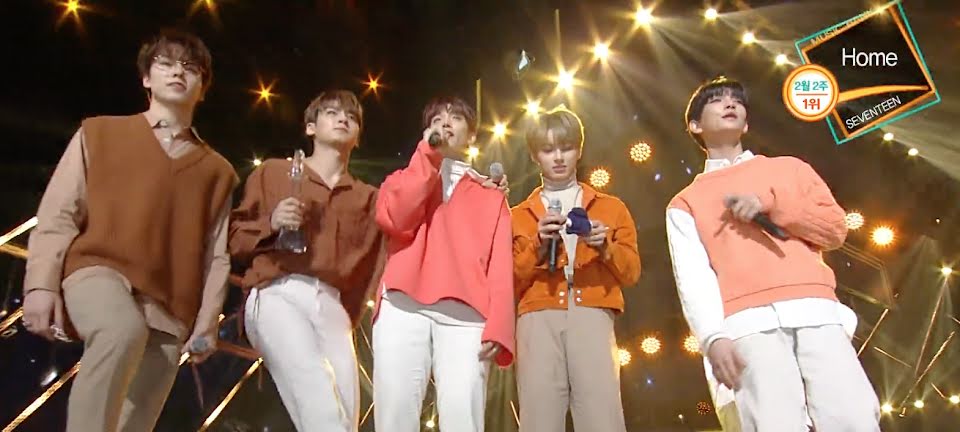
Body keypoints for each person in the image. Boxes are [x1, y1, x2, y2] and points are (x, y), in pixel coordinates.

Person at [21, 29, 237, 432]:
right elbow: (59, 213)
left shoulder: (218, 172)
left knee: (138, 417)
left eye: (190, 67)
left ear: (203, 88)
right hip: (97, 269)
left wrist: (208, 321)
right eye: (166, 63)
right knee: (121, 330)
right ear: (146, 78)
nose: (178, 72)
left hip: (171, 303)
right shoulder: (99, 133)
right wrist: (40, 285)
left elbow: (216, 253)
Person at [666, 76, 880, 431]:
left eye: (737, 100)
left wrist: (772, 205)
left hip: (814, 308)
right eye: (717, 100)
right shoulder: (685, 202)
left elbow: (834, 229)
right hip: (746, 324)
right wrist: (712, 337)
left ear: (746, 124)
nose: (730, 103)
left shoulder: (789, 169)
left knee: (853, 417)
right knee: (772, 423)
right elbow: (693, 278)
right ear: (695, 125)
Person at [229, 90, 384, 432]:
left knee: (345, 417)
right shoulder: (274, 173)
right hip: (278, 291)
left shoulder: (367, 199)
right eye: (332, 112)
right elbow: (235, 239)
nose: (343, 119)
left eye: (352, 117)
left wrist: (349, 312)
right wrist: (271, 223)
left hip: (333, 305)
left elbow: (373, 266)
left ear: (358, 137)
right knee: (319, 400)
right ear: (310, 127)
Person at [372, 95, 513, 432]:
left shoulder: (491, 195)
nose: (446, 123)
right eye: (437, 119)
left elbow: (501, 265)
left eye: (456, 118)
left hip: (467, 315)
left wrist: (500, 325)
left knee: (464, 416)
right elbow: (398, 220)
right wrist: (427, 157)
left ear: (472, 135)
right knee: (394, 412)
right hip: (402, 304)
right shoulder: (401, 179)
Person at [511, 107, 640, 431]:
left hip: (592, 309)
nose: (558, 157)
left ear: (579, 150)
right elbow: (506, 281)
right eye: (548, 149)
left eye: (566, 148)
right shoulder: (517, 216)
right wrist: (538, 246)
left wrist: (605, 247)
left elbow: (631, 273)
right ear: (534, 155)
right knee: (539, 415)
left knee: (601, 413)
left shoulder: (612, 207)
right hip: (538, 314)